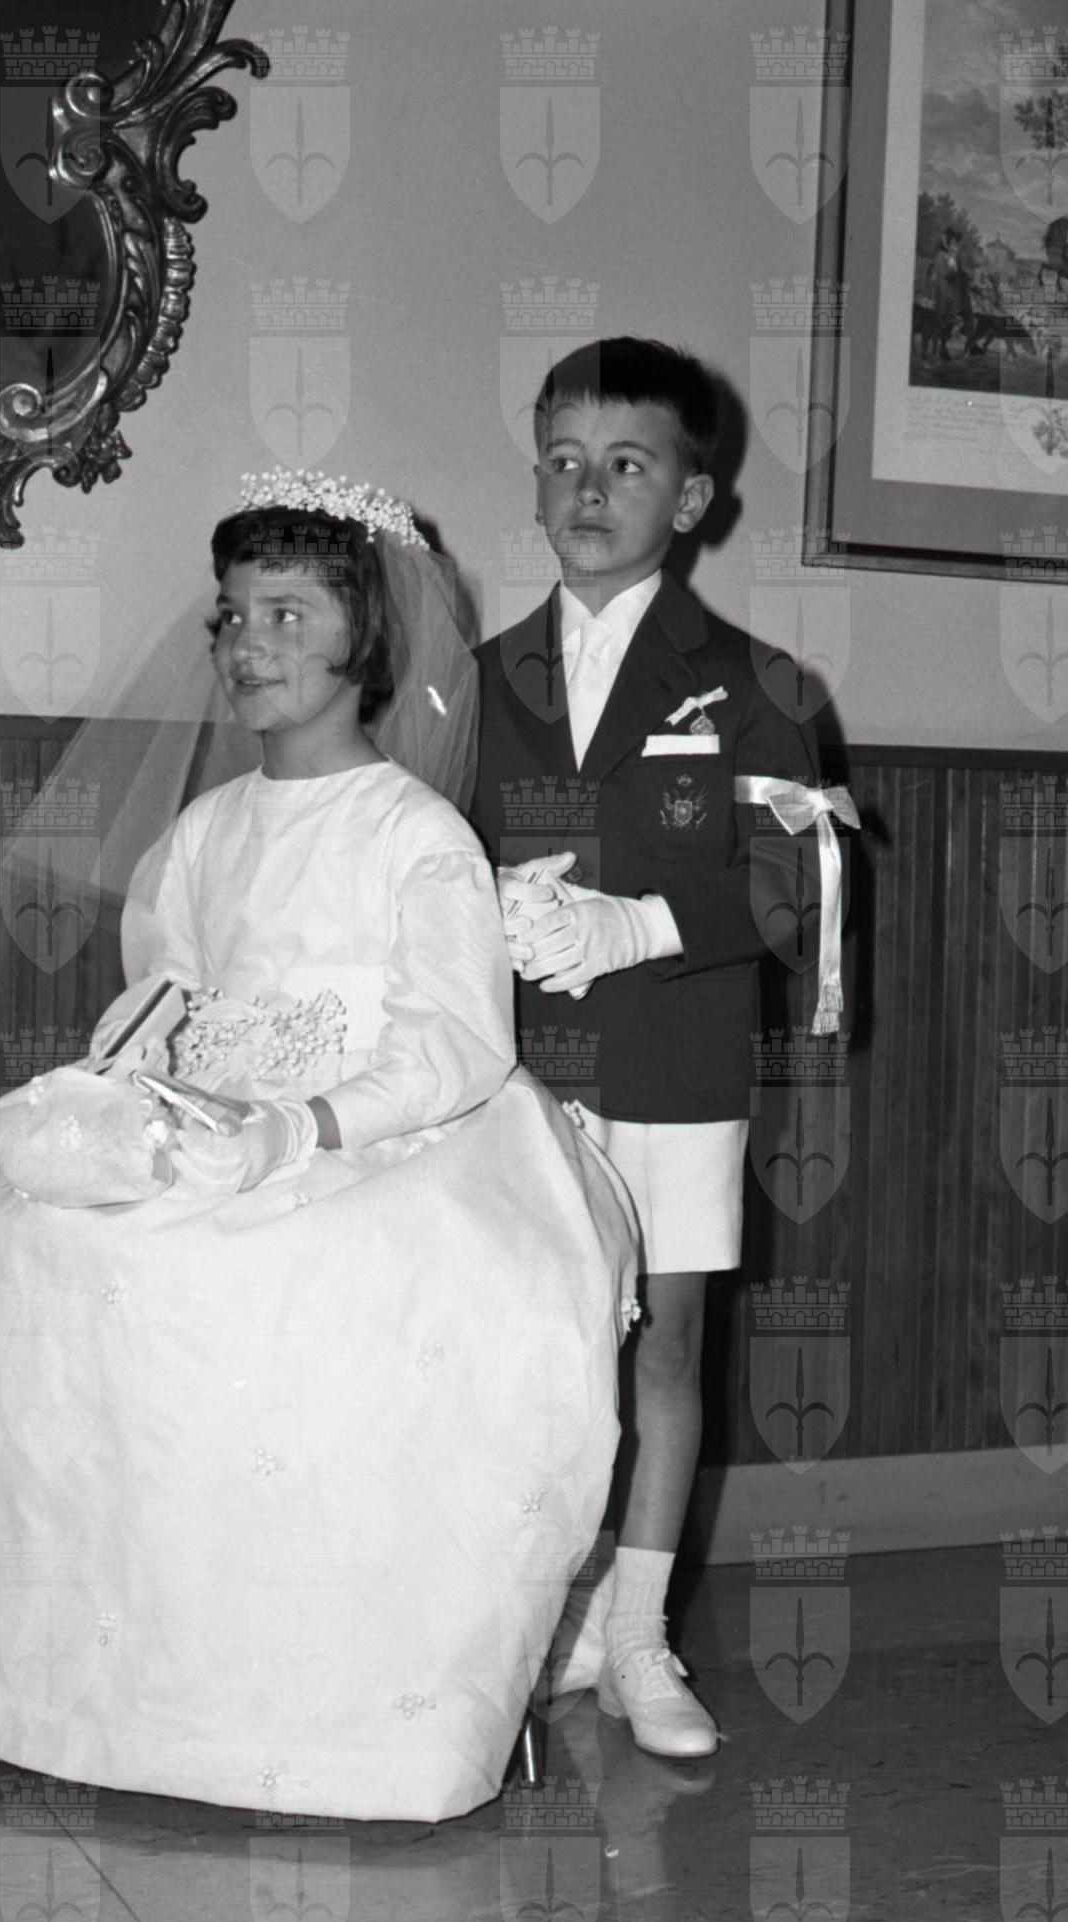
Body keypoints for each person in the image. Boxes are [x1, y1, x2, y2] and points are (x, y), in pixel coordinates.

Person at [0, 471, 639, 1824]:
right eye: (232, 616)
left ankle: (297, 1699)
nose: (248, 644)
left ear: (365, 636)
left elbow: (454, 1042)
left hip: (385, 1121)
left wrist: (301, 1127)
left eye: (286, 613)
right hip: (217, 1103)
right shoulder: (204, 830)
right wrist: (134, 1085)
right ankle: (64, 1666)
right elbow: (173, 989)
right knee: (28, 1221)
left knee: (282, 1275)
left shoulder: (413, 834)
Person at [470, 338, 838, 1759]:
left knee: (665, 1343)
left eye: (626, 464)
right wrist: (482, 904)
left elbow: (796, 891)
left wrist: (640, 925)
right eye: (563, 460)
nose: (588, 489)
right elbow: (418, 860)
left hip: (675, 1057)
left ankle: (635, 1636)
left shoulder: (758, 684)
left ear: (688, 499)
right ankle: (526, 1624)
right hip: (515, 1068)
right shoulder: (469, 683)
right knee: (524, 1342)